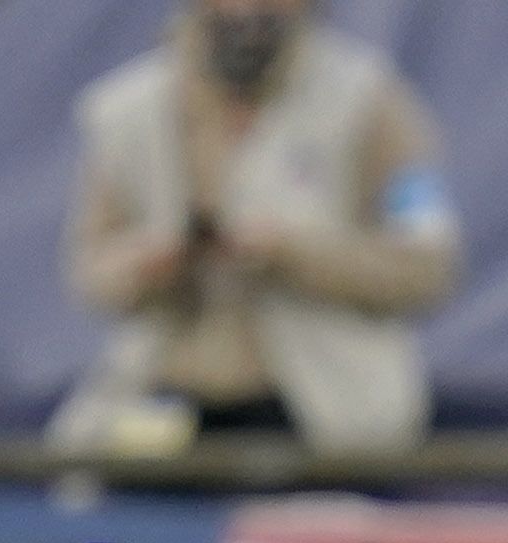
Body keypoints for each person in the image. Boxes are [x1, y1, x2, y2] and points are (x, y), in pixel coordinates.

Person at [52, 0, 459, 458]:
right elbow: (91, 271)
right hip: (165, 400)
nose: (246, 11)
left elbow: (425, 265)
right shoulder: (126, 111)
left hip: (321, 418)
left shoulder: (371, 104)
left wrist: (292, 253)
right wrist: (152, 261)